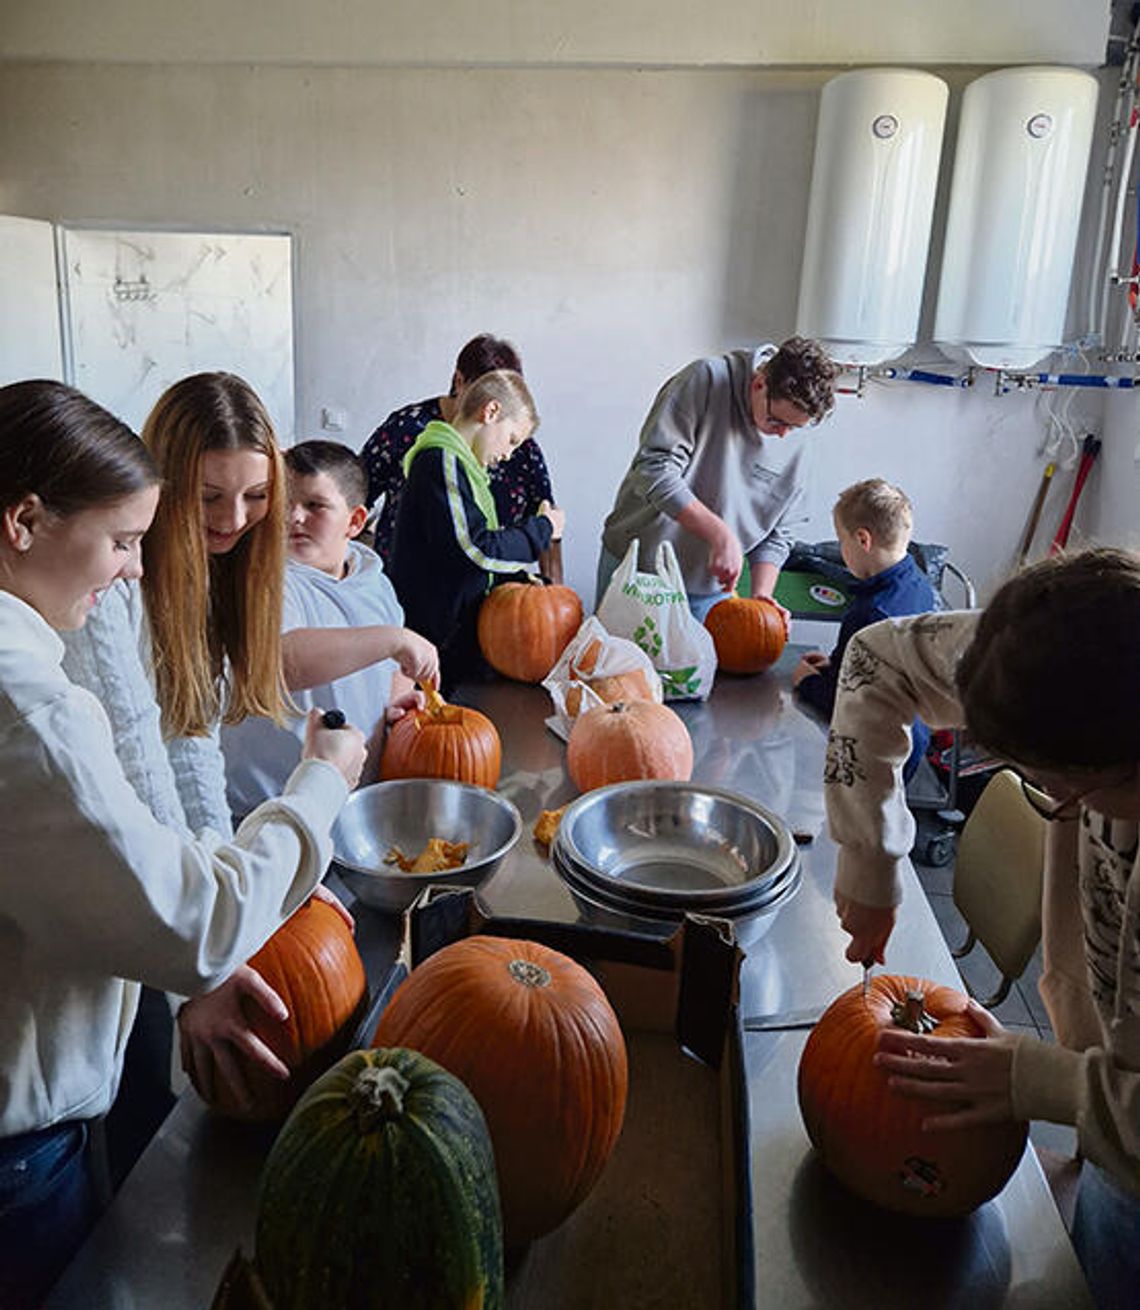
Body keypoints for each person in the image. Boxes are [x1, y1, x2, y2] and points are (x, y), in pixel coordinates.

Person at [0, 380, 366, 1308]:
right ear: (24, 522)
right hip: (21, 1146)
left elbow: (187, 741)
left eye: (254, 497)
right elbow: (171, 888)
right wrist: (311, 799)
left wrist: (244, 868)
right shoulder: (35, 704)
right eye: (124, 541)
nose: (232, 521)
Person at [825, 548, 1140, 1310]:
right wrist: (870, 861)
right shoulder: (1064, 650)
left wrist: (1035, 1080)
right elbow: (875, 659)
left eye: (1065, 788)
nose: (1054, 798)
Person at [222, 440, 439, 816]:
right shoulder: (266, 578)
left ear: (355, 521)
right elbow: (279, 661)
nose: (294, 517)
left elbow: (394, 671)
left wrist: (395, 704)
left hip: (348, 801)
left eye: (314, 505)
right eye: (285, 502)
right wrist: (393, 640)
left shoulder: (374, 581)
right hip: (267, 810)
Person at [597, 335, 837, 622]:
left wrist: (761, 596)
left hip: (710, 590)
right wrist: (720, 534)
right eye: (777, 421)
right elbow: (654, 469)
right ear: (759, 383)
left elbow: (780, 530)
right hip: (639, 570)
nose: (784, 434)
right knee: (616, 652)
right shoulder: (705, 380)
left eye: (794, 428)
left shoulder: (797, 434)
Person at [388, 370, 565, 692]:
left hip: (452, 639)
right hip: (432, 638)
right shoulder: (440, 460)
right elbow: (473, 548)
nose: (509, 454)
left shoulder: (466, 468)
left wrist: (521, 580)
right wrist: (542, 529)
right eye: (512, 439)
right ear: (491, 411)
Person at [360, 333, 554, 567]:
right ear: (459, 381)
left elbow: (546, 519)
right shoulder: (422, 442)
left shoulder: (520, 447)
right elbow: (356, 495)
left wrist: (553, 585)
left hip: (491, 580)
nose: (508, 453)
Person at [791, 478, 935, 781]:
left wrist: (807, 683)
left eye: (841, 542)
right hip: (912, 734)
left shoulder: (872, 615)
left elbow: (850, 706)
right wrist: (837, 665)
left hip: (877, 750)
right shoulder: (917, 583)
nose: (842, 551)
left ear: (862, 540)